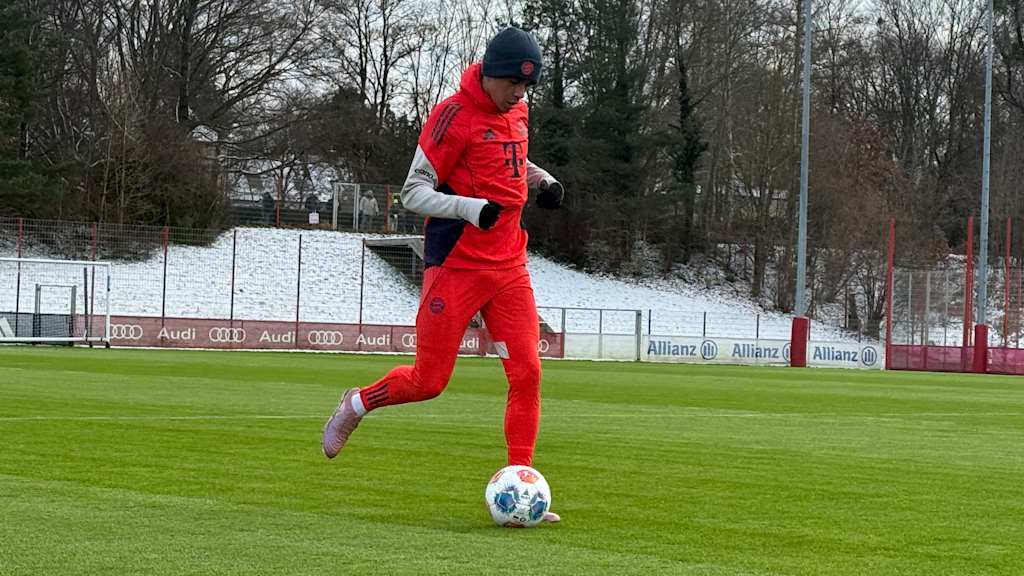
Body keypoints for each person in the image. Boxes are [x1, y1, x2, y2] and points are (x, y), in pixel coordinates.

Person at [321, 26, 566, 522]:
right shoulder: (451, 115)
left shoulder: (517, 109)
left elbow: (510, 155)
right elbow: (413, 192)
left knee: (528, 373)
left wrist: (545, 181)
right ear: (491, 76)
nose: (521, 94)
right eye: (513, 85)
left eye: (527, 87)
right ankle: (357, 403)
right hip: (455, 265)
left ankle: (521, 487)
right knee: (429, 381)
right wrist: (471, 209)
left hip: (509, 266)